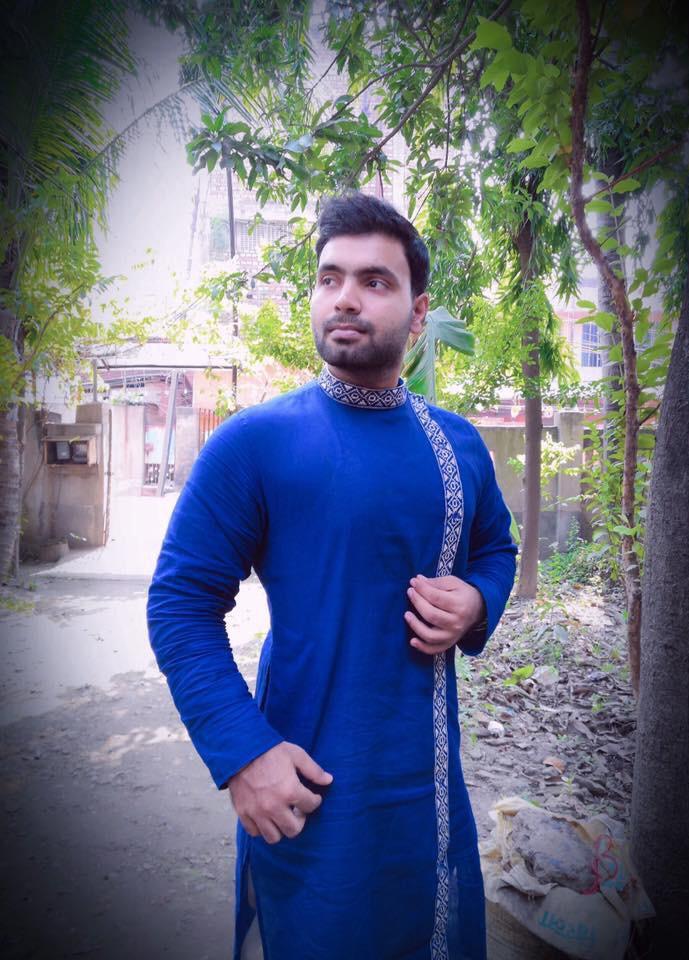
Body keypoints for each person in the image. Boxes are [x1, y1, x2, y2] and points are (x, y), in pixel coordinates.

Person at [147, 192, 517, 960]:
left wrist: (478, 601)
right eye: (330, 278)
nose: (345, 297)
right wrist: (242, 752)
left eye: (375, 281)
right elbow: (181, 604)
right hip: (308, 787)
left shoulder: (458, 447)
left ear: (418, 313)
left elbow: (497, 551)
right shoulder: (255, 443)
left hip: (429, 796)